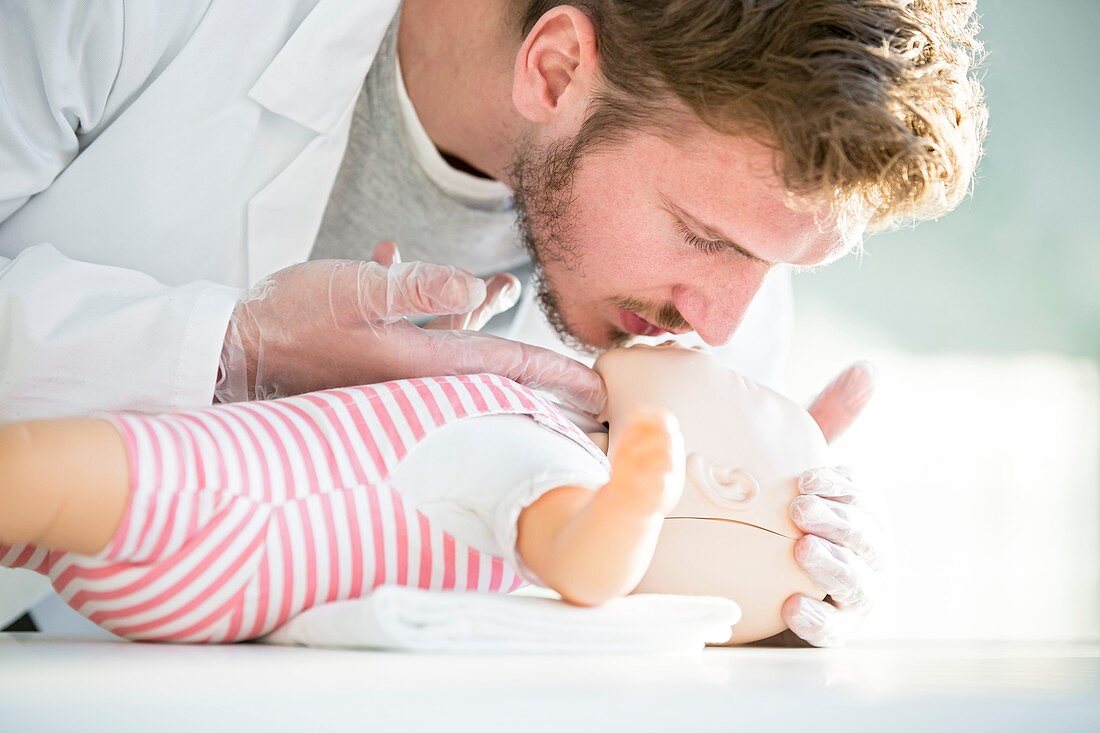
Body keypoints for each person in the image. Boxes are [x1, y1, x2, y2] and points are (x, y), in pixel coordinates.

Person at [0, 0, 987, 645]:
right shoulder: (140, 13)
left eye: (770, 267)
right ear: (555, 69)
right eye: (704, 238)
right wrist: (228, 347)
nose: (722, 329)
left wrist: (769, 576)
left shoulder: (710, 268)